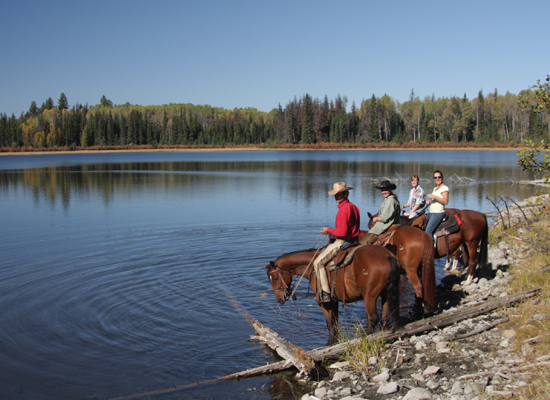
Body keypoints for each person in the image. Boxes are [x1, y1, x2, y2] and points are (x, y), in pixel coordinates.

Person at [314, 182, 360, 303]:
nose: (336, 196)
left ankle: (326, 294)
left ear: (346, 194)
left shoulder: (343, 210)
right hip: (354, 240)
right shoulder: (354, 207)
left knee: (317, 263)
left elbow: (342, 232)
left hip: (342, 241)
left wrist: (328, 231)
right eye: (335, 194)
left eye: (339, 194)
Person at [361, 180, 401, 245]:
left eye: (386, 190)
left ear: (390, 189)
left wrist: (376, 218)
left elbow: (384, 218)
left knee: (364, 242)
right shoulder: (393, 199)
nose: (384, 192)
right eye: (382, 190)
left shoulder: (390, 201)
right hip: (393, 223)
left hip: (385, 225)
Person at [424, 170, 449, 239]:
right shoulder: (435, 188)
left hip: (438, 212)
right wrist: (431, 201)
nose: (437, 179)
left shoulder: (444, 188)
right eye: (435, 177)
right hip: (432, 212)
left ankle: (430, 249)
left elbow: (445, 201)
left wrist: (433, 196)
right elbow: (437, 200)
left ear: (442, 177)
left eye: (439, 177)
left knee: (428, 232)